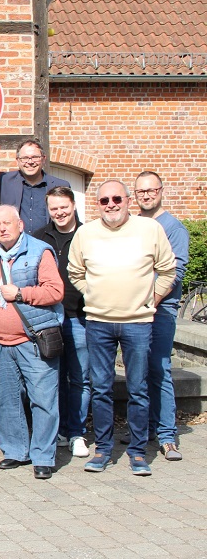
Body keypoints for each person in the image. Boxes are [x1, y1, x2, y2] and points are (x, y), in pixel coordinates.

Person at [68, 180, 176, 476]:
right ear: (97, 203)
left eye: (117, 198)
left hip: (138, 323)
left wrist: (151, 299)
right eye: (105, 200)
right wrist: (91, 294)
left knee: (138, 389)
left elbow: (168, 269)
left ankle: (138, 452)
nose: (111, 204)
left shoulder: (149, 229)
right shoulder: (85, 233)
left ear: (128, 200)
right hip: (99, 322)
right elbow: (75, 271)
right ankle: (103, 448)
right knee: (101, 388)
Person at [0, 206, 64, 480]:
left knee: (43, 400)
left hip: (33, 339)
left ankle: (43, 456)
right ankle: (15, 451)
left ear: (20, 224)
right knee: (7, 401)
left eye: (7, 223)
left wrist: (21, 293)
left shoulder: (40, 251)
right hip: (1, 343)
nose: (2, 228)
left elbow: (55, 291)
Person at [134, 171, 189, 462]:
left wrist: (150, 302)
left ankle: (167, 435)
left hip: (159, 310)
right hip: (132, 310)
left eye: (151, 190)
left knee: (158, 369)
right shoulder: (134, 226)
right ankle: (143, 431)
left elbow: (174, 273)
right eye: (141, 191)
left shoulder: (173, 228)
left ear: (160, 191)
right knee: (137, 373)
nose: (146, 195)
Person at [31, 188, 89, 458]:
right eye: (54, 208)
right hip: (50, 319)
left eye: (64, 207)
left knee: (80, 378)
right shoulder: (39, 237)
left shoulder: (89, 235)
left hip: (80, 316)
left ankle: (76, 432)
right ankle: (60, 430)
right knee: (54, 378)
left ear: (74, 205)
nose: (60, 212)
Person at [0, 139, 70, 234]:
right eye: (25, 158)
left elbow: (72, 220)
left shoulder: (60, 185)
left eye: (35, 157)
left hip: (48, 245)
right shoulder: (4, 181)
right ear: (18, 160)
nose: (30, 162)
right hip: (14, 245)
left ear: (43, 159)